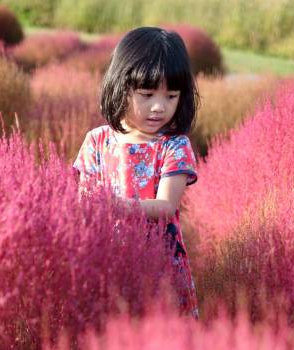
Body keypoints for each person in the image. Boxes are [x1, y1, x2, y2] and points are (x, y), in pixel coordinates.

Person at [73, 26, 200, 318]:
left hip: (161, 263)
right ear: (120, 87)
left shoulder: (174, 145)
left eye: (171, 96)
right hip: (106, 259)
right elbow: (84, 204)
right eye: (146, 94)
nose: (159, 107)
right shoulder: (97, 141)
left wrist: (119, 206)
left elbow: (167, 206)